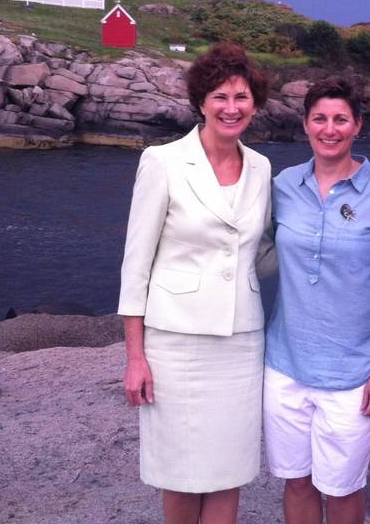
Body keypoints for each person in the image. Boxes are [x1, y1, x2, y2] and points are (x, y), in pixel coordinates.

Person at [117, 42, 274, 524]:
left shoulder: (263, 168)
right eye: (220, 96)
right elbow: (135, 266)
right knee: (182, 473)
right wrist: (135, 358)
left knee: (229, 470)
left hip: (240, 342)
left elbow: (263, 254)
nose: (232, 108)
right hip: (177, 343)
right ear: (201, 102)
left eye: (242, 97)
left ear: (255, 103)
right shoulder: (162, 161)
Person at [264, 76, 370, 524]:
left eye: (340, 119)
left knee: (342, 489)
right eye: (320, 119)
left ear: (357, 126)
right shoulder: (283, 185)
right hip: (284, 366)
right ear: (305, 125)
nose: (330, 129)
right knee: (297, 481)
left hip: (354, 375)